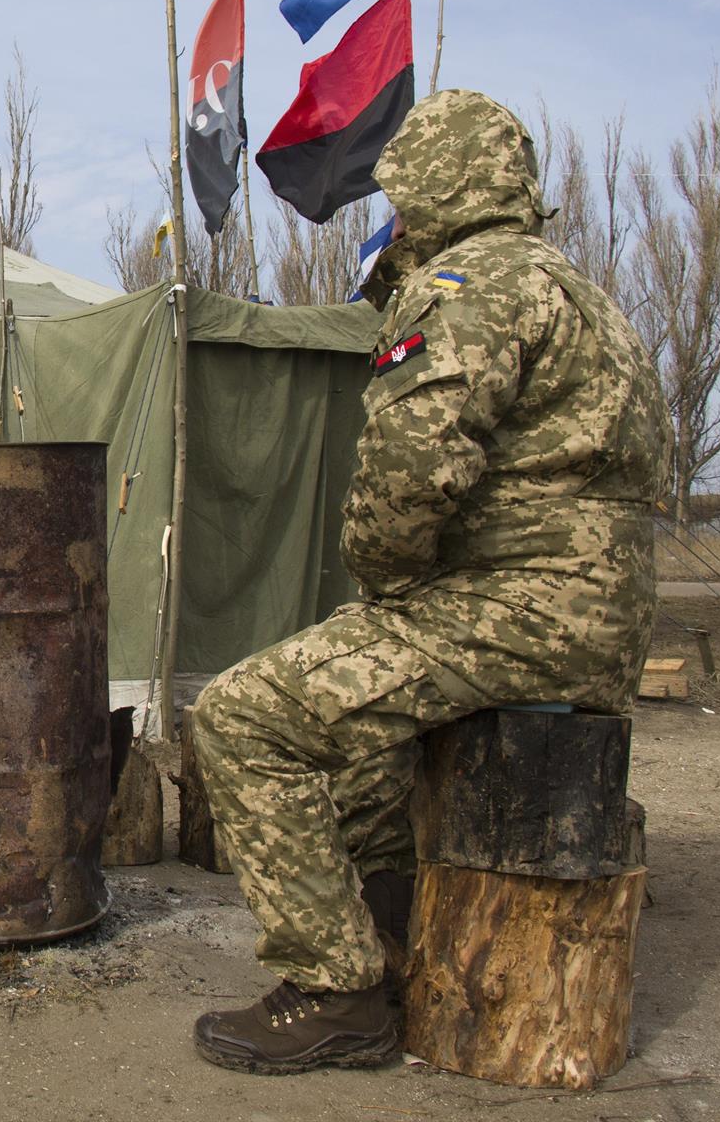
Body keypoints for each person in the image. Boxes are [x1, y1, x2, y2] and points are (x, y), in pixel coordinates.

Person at [186, 90, 672, 1075]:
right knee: (364, 742)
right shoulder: (579, 290)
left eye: (403, 192)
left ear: (435, 186)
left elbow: (408, 474)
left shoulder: (466, 284)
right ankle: (395, 938)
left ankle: (336, 985)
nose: (394, 213)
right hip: (591, 614)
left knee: (241, 717)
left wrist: (386, 581)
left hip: (517, 608)